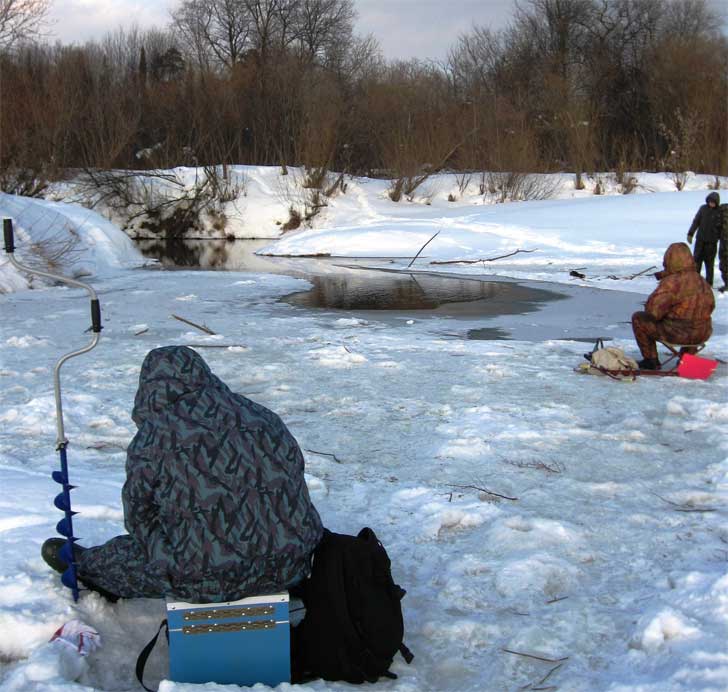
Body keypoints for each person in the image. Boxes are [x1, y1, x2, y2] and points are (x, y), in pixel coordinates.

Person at [42, 345, 323, 601]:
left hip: (203, 580)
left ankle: (88, 567)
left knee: (123, 557)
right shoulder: (262, 415)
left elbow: (138, 515)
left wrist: (169, 552)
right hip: (292, 565)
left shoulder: (155, 435)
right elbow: (295, 478)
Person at [632, 242, 715, 370]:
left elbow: (653, 312)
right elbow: (711, 306)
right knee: (694, 321)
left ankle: (651, 360)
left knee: (639, 318)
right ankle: (686, 359)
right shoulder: (701, 280)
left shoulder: (671, 283)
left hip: (677, 333)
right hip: (702, 333)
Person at [687, 191, 721, 286]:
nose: (711, 203)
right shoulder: (703, 209)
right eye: (710, 201)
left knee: (709, 264)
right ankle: (695, 281)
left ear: (717, 202)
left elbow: (722, 227)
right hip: (700, 240)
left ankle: (709, 283)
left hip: (711, 242)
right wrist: (690, 233)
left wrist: (718, 236)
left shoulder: (719, 212)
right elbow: (696, 221)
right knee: (697, 261)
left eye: (713, 202)